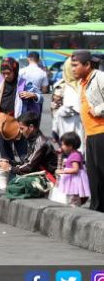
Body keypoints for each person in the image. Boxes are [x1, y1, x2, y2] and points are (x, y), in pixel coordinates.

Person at [0, 57, 43, 162]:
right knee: (6, 158)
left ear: (15, 71)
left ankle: (27, 175)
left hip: (19, 123)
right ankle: (11, 176)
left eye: (8, 73)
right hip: (1, 123)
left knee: (24, 156)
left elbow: (40, 97)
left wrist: (32, 94)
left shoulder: (24, 83)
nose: (6, 76)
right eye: (3, 73)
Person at [70, 50, 104, 212]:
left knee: (101, 173)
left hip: (102, 133)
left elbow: (94, 109)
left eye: (76, 65)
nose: (73, 69)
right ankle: (97, 208)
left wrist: (97, 111)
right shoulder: (83, 82)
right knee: (94, 176)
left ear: (87, 65)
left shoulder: (99, 77)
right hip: (91, 135)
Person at [0, 112, 58, 177]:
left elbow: (29, 167)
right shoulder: (32, 139)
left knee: (15, 185)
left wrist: (9, 168)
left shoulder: (41, 142)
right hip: (39, 173)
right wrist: (9, 162)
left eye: (22, 128)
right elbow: (27, 162)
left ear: (31, 127)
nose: (20, 131)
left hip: (50, 177)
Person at [51, 58, 84, 151]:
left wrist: (55, 131)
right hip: (83, 130)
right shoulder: (85, 84)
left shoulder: (60, 86)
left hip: (65, 133)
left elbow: (54, 112)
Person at [56, 132, 90, 206]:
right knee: (71, 199)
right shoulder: (75, 154)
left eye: (63, 145)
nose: (61, 147)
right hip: (72, 182)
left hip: (74, 183)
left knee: (73, 200)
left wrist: (62, 171)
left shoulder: (75, 155)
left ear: (70, 146)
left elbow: (75, 169)